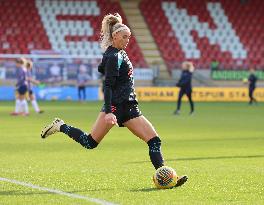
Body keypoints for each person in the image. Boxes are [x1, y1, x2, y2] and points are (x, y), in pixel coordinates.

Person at [40, 13, 187, 187]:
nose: (127, 40)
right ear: (115, 36)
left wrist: (106, 63)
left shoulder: (117, 53)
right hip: (116, 106)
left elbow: (102, 67)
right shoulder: (114, 56)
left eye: (129, 37)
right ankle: (60, 126)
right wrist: (109, 111)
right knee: (90, 142)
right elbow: (107, 86)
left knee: (154, 140)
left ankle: (165, 176)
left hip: (130, 106)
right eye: (124, 37)